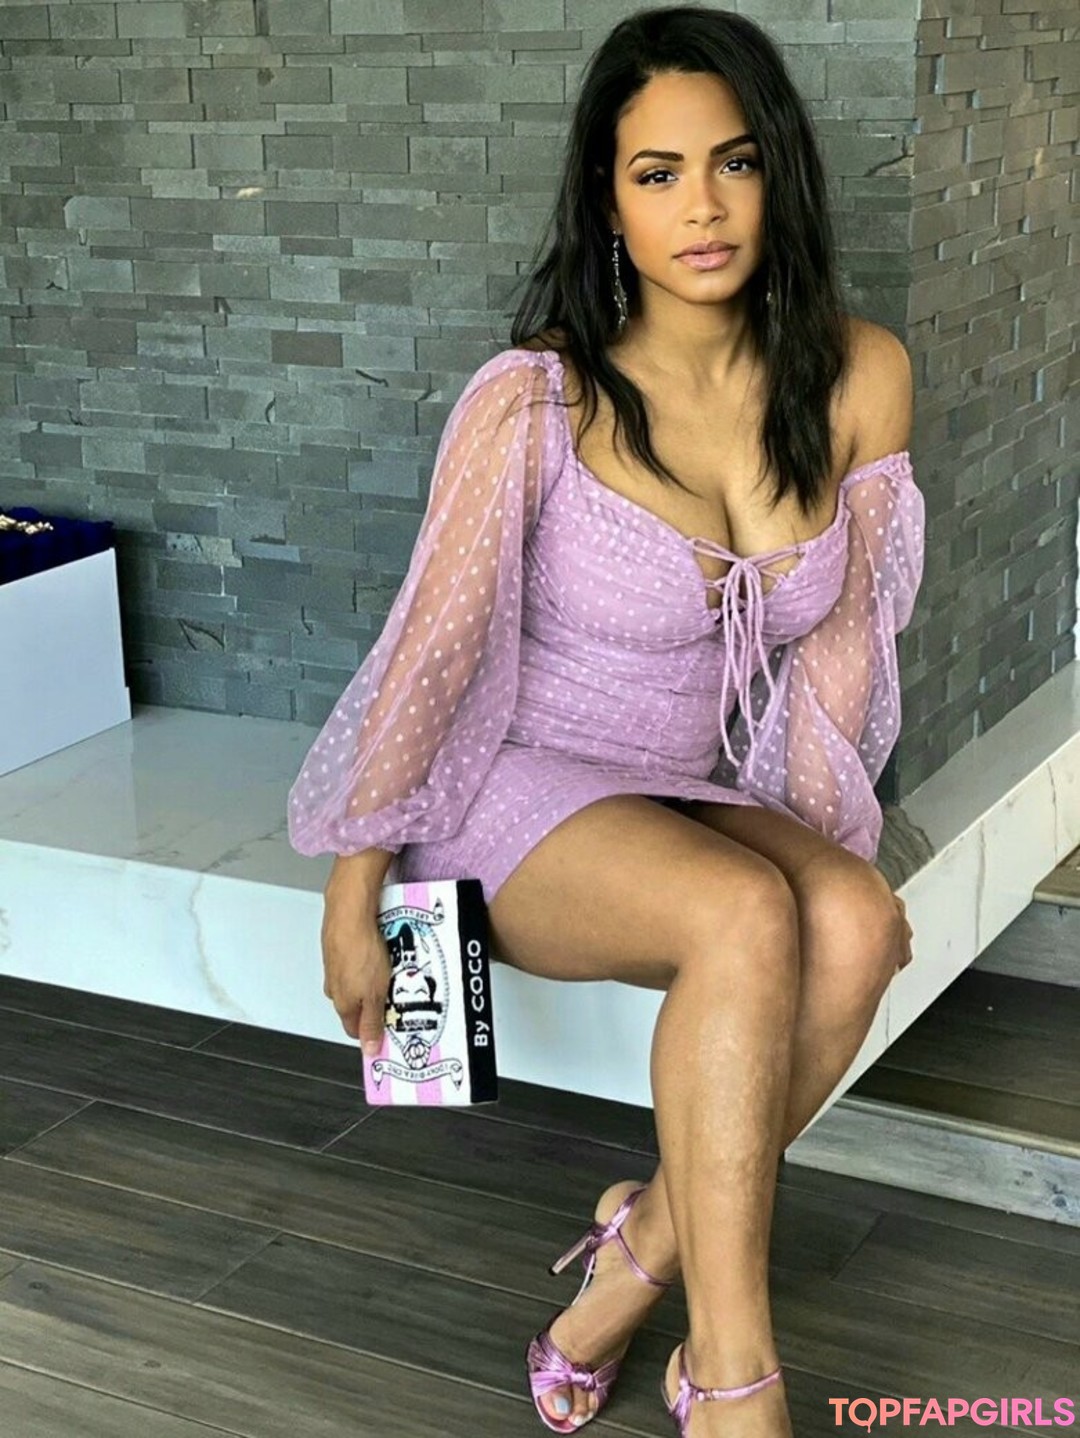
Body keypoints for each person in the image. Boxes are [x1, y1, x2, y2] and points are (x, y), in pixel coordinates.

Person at [287, 6, 925, 1435]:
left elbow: (840, 660)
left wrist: (818, 852)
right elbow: (431, 654)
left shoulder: (857, 375)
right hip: (507, 783)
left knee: (855, 923)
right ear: (607, 197)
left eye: (734, 162)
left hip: (682, 783)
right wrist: (352, 887)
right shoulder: (539, 398)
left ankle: (627, 1266)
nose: (702, 206)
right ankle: (735, 1378)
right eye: (657, 172)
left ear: (779, 173)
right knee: (742, 915)